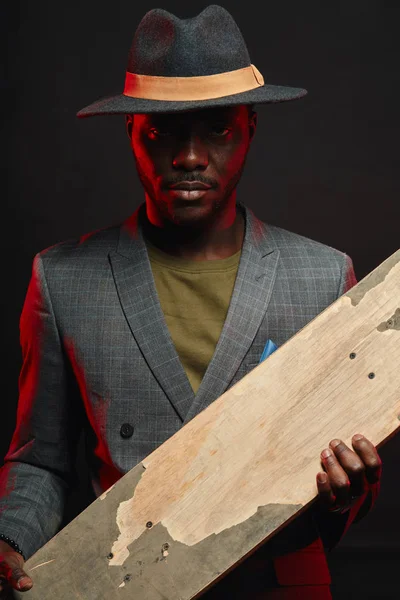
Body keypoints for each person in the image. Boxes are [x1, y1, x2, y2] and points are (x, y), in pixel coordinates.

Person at [0, 5, 381, 599]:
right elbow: (40, 461)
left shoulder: (325, 277)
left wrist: (349, 494)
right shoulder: (63, 279)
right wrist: (11, 539)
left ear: (251, 126)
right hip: (131, 586)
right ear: (129, 132)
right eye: (163, 133)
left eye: (218, 129)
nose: (190, 158)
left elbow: (347, 462)